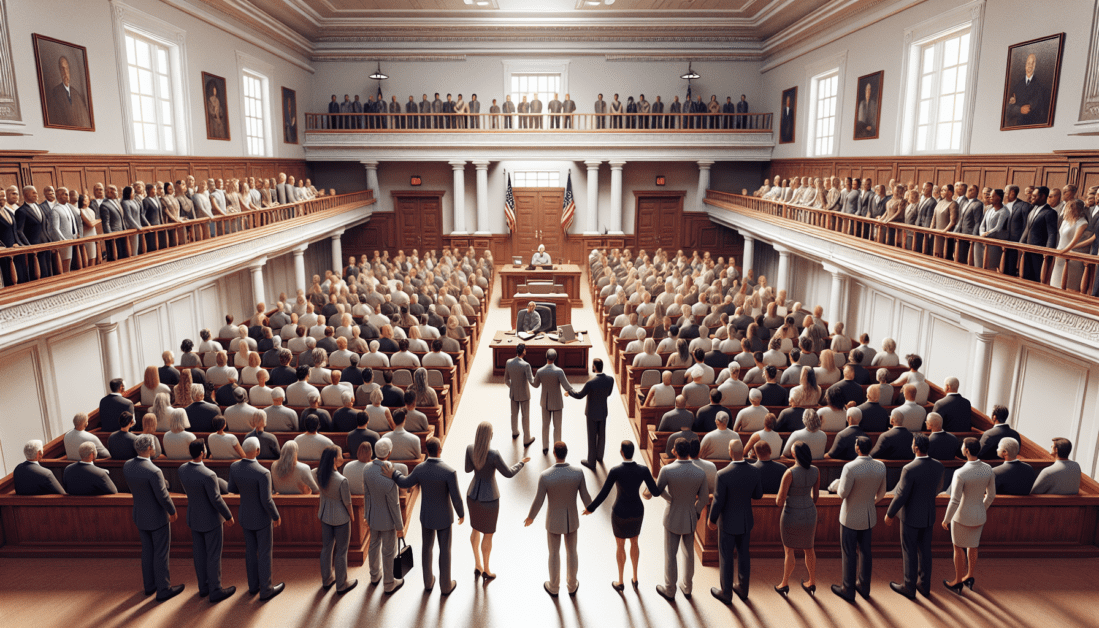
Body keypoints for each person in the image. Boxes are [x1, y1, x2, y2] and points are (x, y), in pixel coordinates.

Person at [385, 437, 464, 595]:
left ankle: (428, 583)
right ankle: (445, 585)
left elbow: (405, 482)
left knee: (426, 548)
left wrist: (394, 473)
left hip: (427, 515)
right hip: (444, 517)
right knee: (445, 550)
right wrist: (461, 514)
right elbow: (456, 498)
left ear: (426, 450)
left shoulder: (420, 469)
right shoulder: (449, 471)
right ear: (439, 450)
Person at [584, 440, 658, 591]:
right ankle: (635, 578)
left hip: (620, 512)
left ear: (622, 452)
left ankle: (620, 581)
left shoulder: (615, 471)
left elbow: (604, 493)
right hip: (637, 511)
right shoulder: (643, 470)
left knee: (620, 545)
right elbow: (656, 492)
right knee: (635, 542)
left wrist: (591, 508)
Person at [525, 441, 591, 598]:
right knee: (572, 552)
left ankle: (554, 587)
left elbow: (538, 500)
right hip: (572, 520)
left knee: (554, 553)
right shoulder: (578, 472)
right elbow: (586, 497)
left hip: (553, 520)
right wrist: (589, 508)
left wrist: (530, 517)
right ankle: (572, 585)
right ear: (566, 453)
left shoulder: (545, 475)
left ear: (554, 454)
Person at [124, 434, 185, 601]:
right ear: (150, 448)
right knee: (161, 553)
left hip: (139, 514)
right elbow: (163, 496)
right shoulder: (154, 471)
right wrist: (172, 511)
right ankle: (164, 589)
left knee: (147, 551)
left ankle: (149, 586)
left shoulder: (128, 465)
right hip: (157, 517)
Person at [465, 421, 529, 580]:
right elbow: (508, 473)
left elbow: (467, 469)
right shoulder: (494, 454)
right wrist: (521, 463)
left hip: (472, 495)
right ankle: (486, 569)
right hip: (490, 499)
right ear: (490, 436)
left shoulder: (470, 449)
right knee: (488, 535)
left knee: (475, 530)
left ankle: (477, 564)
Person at [883, 434, 943, 599]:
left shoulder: (909, 468)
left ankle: (909, 587)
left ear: (916, 448)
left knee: (909, 551)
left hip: (910, 516)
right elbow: (939, 487)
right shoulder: (938, 466)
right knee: (925, 551)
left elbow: (901, 495)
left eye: (912, 444)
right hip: (929, 515)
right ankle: (924, 585)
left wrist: (890, 513)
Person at [646, 438, 707, 602]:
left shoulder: (667, 470)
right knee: (688, 554)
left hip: (672, 515)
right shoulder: (700, 472)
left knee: (670, 555)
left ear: (675, 451)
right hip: (690, 516)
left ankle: (670, 589)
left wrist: (670, 499)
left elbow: (658, 490)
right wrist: (696, 511)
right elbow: (703, 499)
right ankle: (687, 587)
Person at [177, 439, 236, 603]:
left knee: (199, 555)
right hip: (211, 520)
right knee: (213, 555)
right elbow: (216, 499)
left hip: (194, 517)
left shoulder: (182, 469)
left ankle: (203, 588)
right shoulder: (209, 475)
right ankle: (215, 590)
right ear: (202, 453)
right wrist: (228, 516)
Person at [704, 439, 763, 603]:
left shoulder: (722, 474)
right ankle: (743, 589)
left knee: (726, 556)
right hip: (745, 521)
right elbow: (758, 495)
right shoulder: (754, 471)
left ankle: (726, 592)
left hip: (728, 522)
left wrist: (712, 519)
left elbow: (718, 501)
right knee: (744, 555)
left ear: (730, 452)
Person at [229, 437, 285, 601]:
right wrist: (276, 515)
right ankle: (266, 589)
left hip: (245, 515)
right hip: (261, 518)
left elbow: (232, 488)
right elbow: (266, 500)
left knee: (250, 552)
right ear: (258, 451)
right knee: (265, 553)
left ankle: (253, 586)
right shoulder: (263, 472)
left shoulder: (234, 467)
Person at [831, 436, 887, 602]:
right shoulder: (880, 466)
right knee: (866, 551)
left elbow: (842, 493)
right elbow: (882, 493)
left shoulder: (850, 467)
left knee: (849, 553)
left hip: (850, 516)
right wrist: (870, 502)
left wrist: (837, 486)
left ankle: (847, 589)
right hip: (869, 515)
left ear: (857, 448)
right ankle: (864, 586)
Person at [942, 437, 995, 594]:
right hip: (979, 515)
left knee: (958, 548)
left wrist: (946, 519)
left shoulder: (960, 472)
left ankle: (958, 580)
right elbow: (991, 495)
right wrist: (981, 508)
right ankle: (970, 576)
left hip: (961, 517)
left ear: (966, 451)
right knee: (973, 546)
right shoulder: (988, 469)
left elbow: (955, 500)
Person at [775, 441, 820, 596]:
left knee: (789, 551)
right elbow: (816, 497)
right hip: (810, 512)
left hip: (792, 513)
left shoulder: (790, 473)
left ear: (794, 454)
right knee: (809, 549)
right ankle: (812, 581)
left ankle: (784, 583)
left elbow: (779, 501)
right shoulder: (815, 470)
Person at [315, 446, 357, 594]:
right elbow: (347, 502)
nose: (342, 458)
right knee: (341, 551)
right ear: (334, 459)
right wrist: (352, 516)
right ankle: (341, 584)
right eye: (340, 456)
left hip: (324, 514)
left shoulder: (318, 473)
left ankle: (326, 580)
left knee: (326, 548)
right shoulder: (342, 480)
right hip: (341, 518)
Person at [568, 358, 615, 469]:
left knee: (592, 437)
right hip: (603, 411)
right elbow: (608, 394)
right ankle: (599, 456)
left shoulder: (590, 383)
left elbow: (579, 395)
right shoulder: (610, 379)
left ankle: (591, 462)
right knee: (602, 435)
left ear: (594, 367)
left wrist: (569, 391)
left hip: (592, 413)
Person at [535, 349, 574, 454]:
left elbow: (535, 384)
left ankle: (545, 447)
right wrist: (575, 392)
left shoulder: (540, 371)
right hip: (557, 403)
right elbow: (567, 386)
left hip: (545, 402)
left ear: (546, 356)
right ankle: (557, 448)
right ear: (555, 358)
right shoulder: (559, 371)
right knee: (557, 427)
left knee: (545, 426)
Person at [505, 343, 537, 446]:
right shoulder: (526, 365)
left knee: (513, 414)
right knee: (525, 417)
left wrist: (513, 387)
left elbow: (506, 380)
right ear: (523, 351)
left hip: (513, 393)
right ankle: (526, 439)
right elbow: (532, 381)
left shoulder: (509, 362)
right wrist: (539, 379)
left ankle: (514, 432)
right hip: (524, 394)